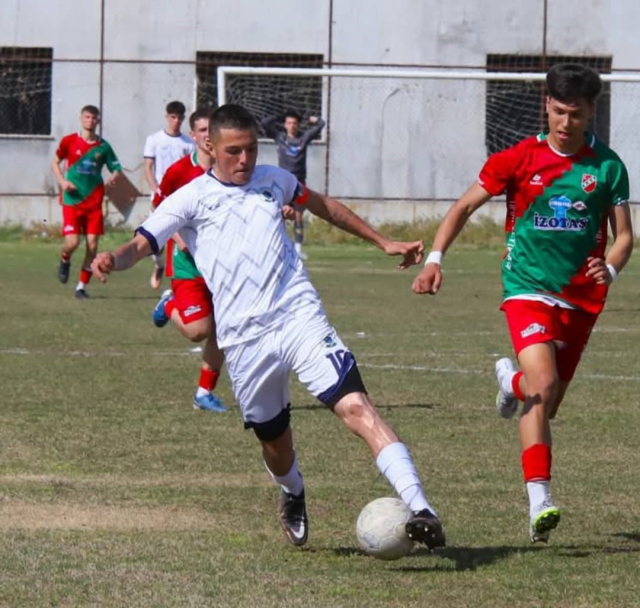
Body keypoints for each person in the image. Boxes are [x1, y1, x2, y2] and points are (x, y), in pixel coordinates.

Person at [92, 104, 445, 550]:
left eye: (251, 150)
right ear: (209, 146)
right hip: (243, 339)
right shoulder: (190, 198)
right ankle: (292, 491)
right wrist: (113, 258)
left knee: (356, 408)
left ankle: (421, 508)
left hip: (297, 314)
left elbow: (325, 207)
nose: (245, 160)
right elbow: (142, 243)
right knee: (274, 440)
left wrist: (383, 241)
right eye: (234, 151)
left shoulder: (275, 181)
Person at [412, 64, 633, 544]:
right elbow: (464, 206)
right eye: (558, 112)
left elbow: (625, 237)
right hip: (526, 287)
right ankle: (540, 503)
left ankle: (509, 381)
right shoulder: (518, 158)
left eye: (575, 114)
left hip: (581, 298)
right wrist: (435, 258)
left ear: (591, 111)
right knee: (545, 382)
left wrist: (610, 268)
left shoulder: (608, 167)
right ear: (546, 106)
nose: (565, 123)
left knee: (544, 404)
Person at [151, 108, 227, 413]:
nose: (208, 135)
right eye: (202, 130)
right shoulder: (179, 172)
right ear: (192, 136)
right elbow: (160, 213)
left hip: (222, 264)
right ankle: (169, 304)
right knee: (198, 331)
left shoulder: (230, 169)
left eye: (213, 129)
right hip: (187, 262)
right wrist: (182, 241)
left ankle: (204, 393)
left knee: (224, 327)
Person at [52, 104, 122, 299]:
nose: (90, 121)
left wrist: (114, 176)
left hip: (94, 203)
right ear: (81, 118)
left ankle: (81, 287)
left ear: (98, 121)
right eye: (87, 117)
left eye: (94, 118)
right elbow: (55, 162)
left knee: (92, 246)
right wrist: (63, 181)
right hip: (72, 200)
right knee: (72, 243)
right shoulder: (69, 141)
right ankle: (65, 259)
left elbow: (116, 167)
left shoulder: (103, 147)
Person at [261, 110, 326, 260]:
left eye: (295, 123)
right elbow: (265, 123)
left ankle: (297, 249)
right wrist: (279, 116)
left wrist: (307, 118)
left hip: (299, 185)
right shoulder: (280, 138)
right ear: (285, 125)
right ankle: (276, 247)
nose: (292, 126)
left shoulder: (303, 139)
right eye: (289, 123)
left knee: (298, 215)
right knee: (277, 214)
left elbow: (321, 124)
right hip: (281, 184)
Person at [143, 100, 194, 289]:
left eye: (180, 118)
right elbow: (148, 167)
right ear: (167, 117)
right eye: (173, 117)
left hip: (182, 198)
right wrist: (156, 189)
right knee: (158, 237)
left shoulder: (188, 143)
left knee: (181, 236)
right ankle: (159, 265)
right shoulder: (154, 140)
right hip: (161, 195)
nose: (176, 121)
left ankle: (180, 278)